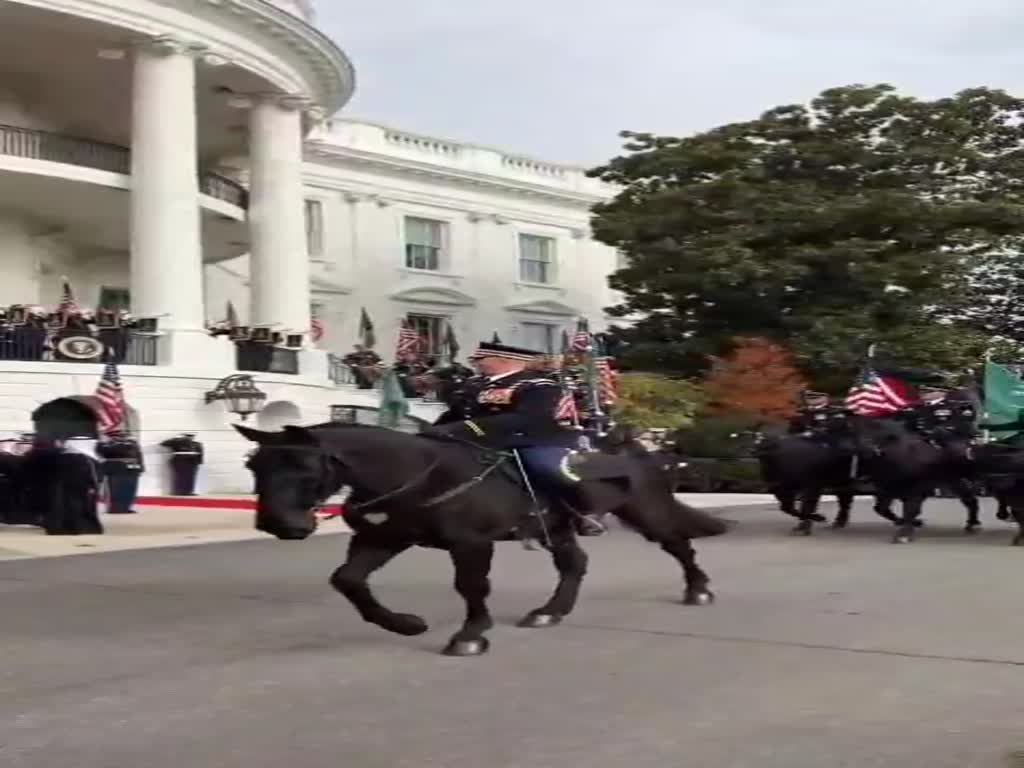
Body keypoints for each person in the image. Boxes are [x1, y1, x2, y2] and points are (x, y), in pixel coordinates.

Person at [423, 340, 606, 536]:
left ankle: (585, 510)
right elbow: (458, 412)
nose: (477, 362)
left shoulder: (538, 385)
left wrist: (466, 428)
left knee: (545, 467)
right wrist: (432, 432)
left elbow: (527, 418)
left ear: (505, 360)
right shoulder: (474, 384)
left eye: (482, 358)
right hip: (479, 437)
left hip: (532, 439)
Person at [97, 430, 144, 514]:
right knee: (114, 490)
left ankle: (126, 507)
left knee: (130, 490)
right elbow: (104, 451)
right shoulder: (107, 444)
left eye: (123, 434)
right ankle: (113, 508)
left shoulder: (132, 443)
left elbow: (139, 455)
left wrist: (140, 467)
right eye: (119, 435)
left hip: (131, 469)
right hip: (115, 468)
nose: (122, 436)